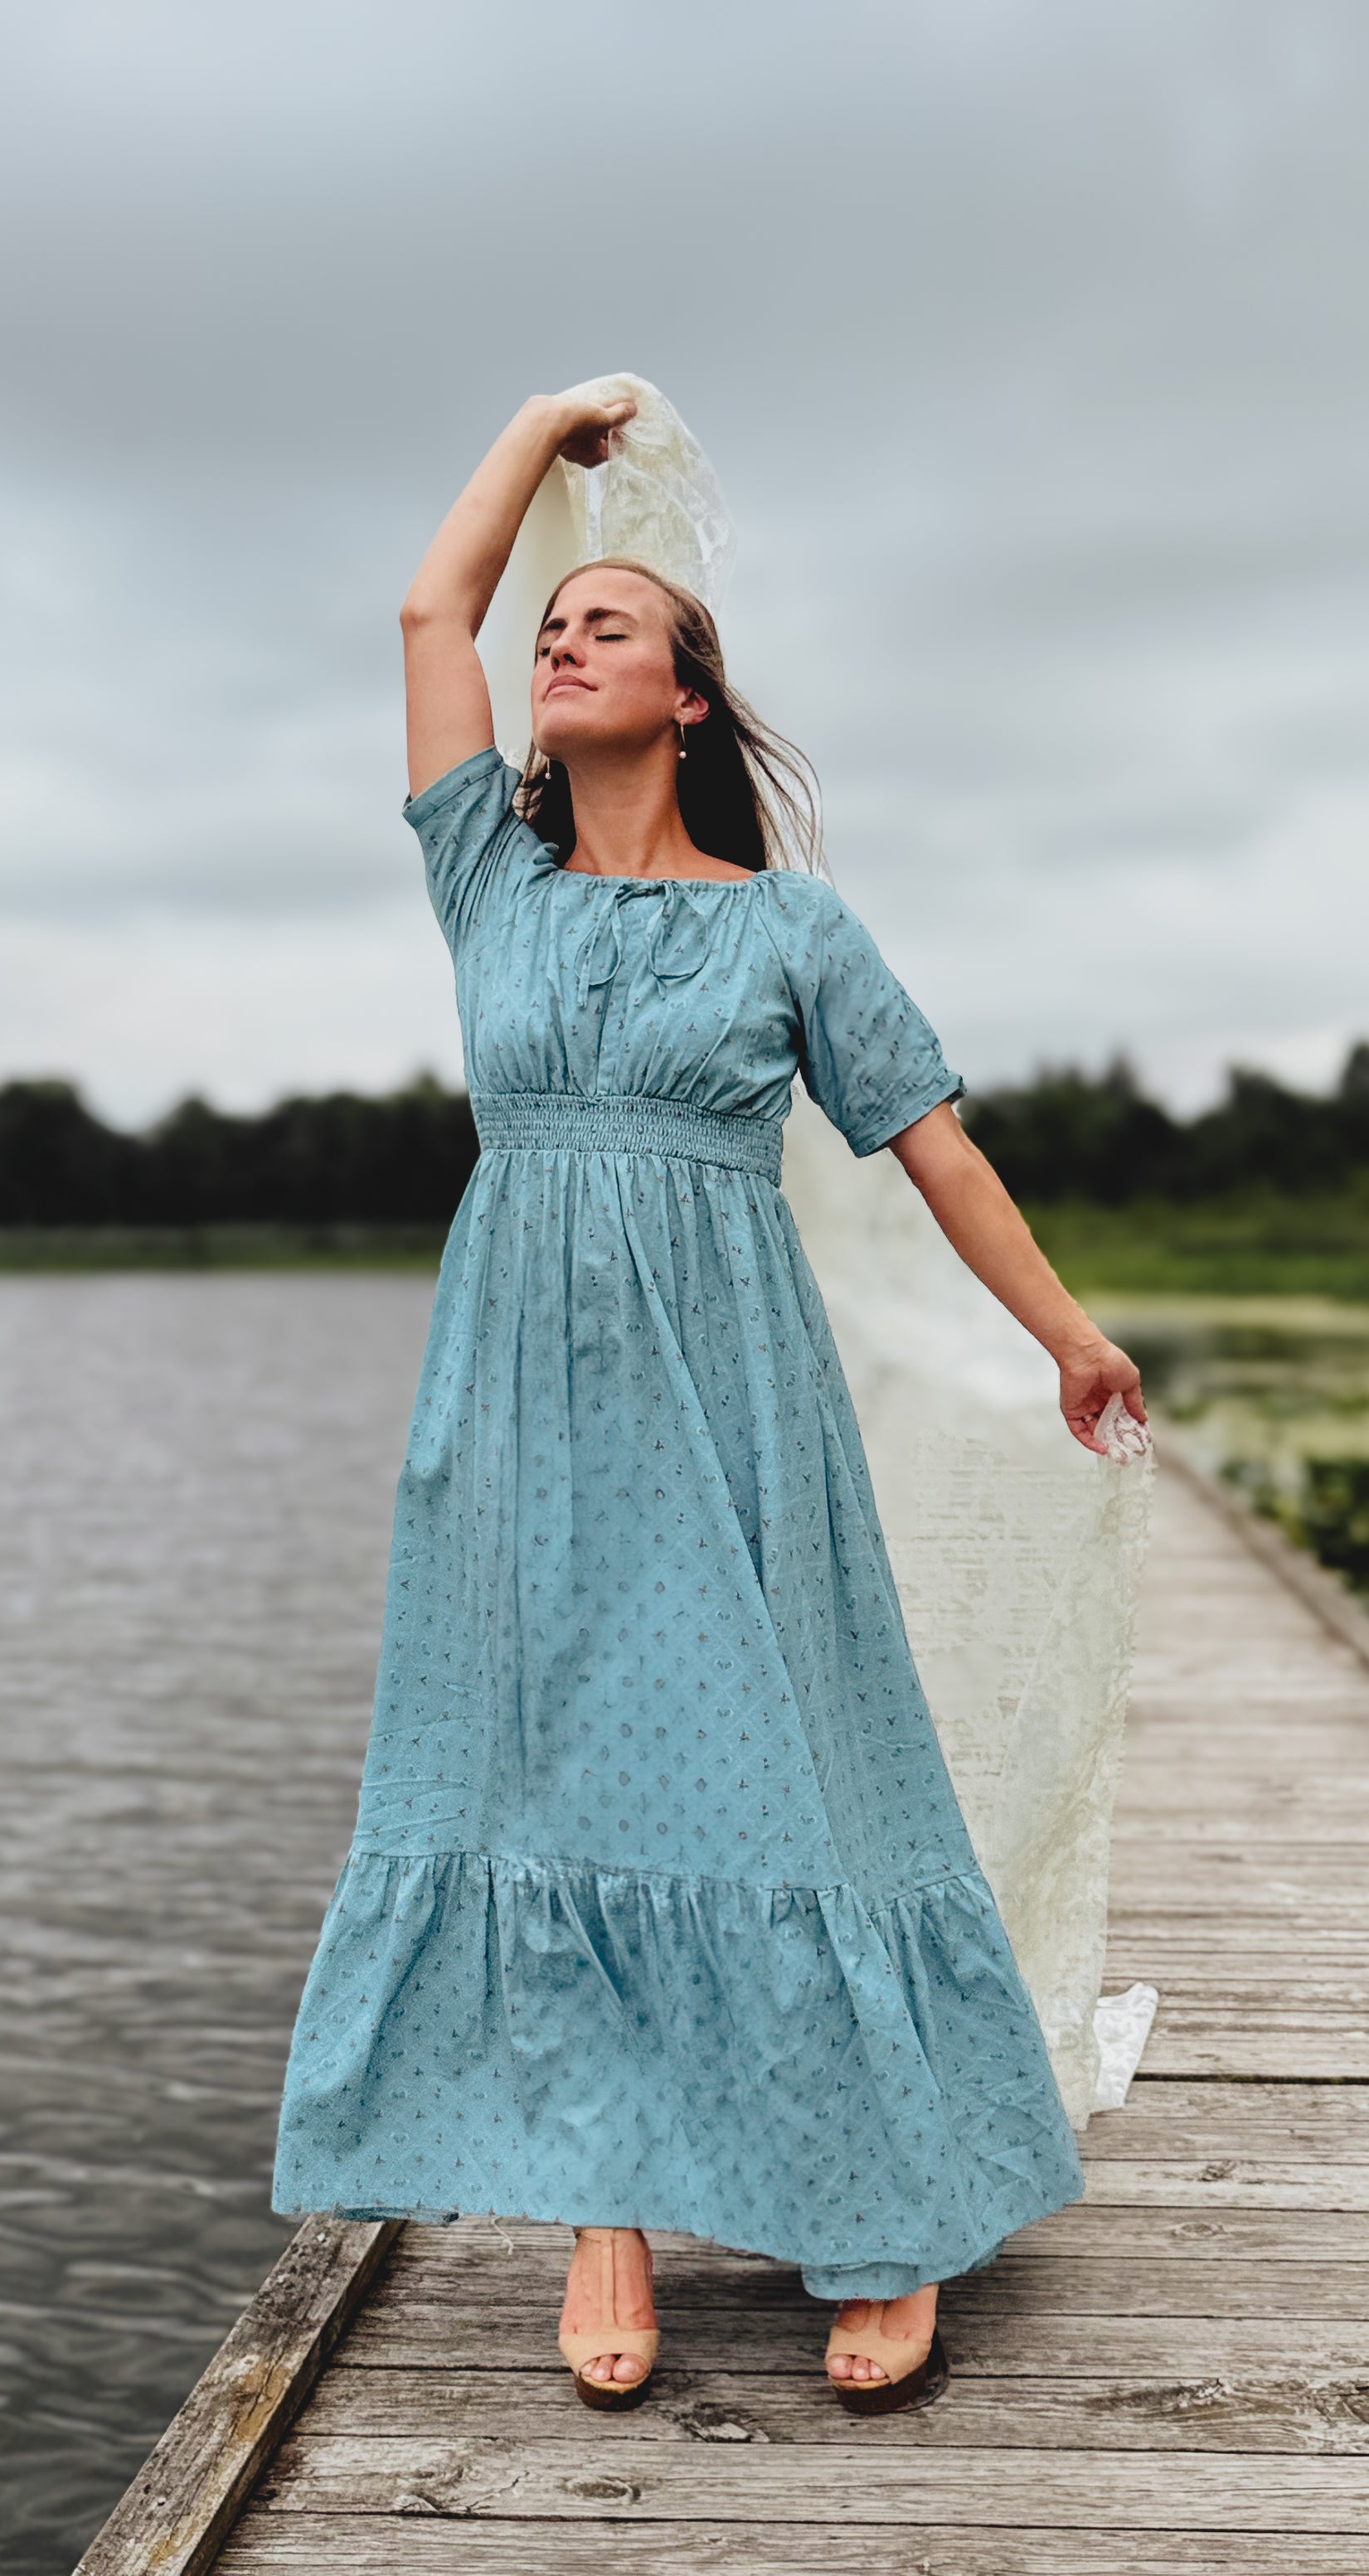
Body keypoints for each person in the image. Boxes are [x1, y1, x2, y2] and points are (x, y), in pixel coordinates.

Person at [272, 386, 1148, 2415]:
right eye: (550, 628)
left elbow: (931, 1143)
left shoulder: (791, 928)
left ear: (686, 702)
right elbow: (429, 612)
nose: (554, 643)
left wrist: (1065, 1333)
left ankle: (887, 2208)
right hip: (513, 1416)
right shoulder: (489, 885)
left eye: (607, 627)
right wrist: (538, 426)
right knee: (553, 1791)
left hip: (731, 1406)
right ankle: (610, 2204)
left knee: (794, 1784)